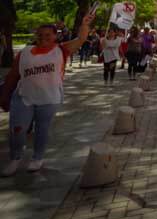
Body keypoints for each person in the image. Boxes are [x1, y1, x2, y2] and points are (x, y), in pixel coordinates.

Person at [1, 13, 95, 175]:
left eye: (48, 35)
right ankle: (15, 158)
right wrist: (5, 95)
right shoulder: (25, 52)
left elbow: (80, 39)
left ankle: (37, 158)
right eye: (40, 34)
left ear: (55, 36)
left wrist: (85, 24)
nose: (43, 37)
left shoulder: (61, 50)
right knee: (17, 129)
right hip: (24, 97)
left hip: (49, 99)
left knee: (42, 129)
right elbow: (13, 75)